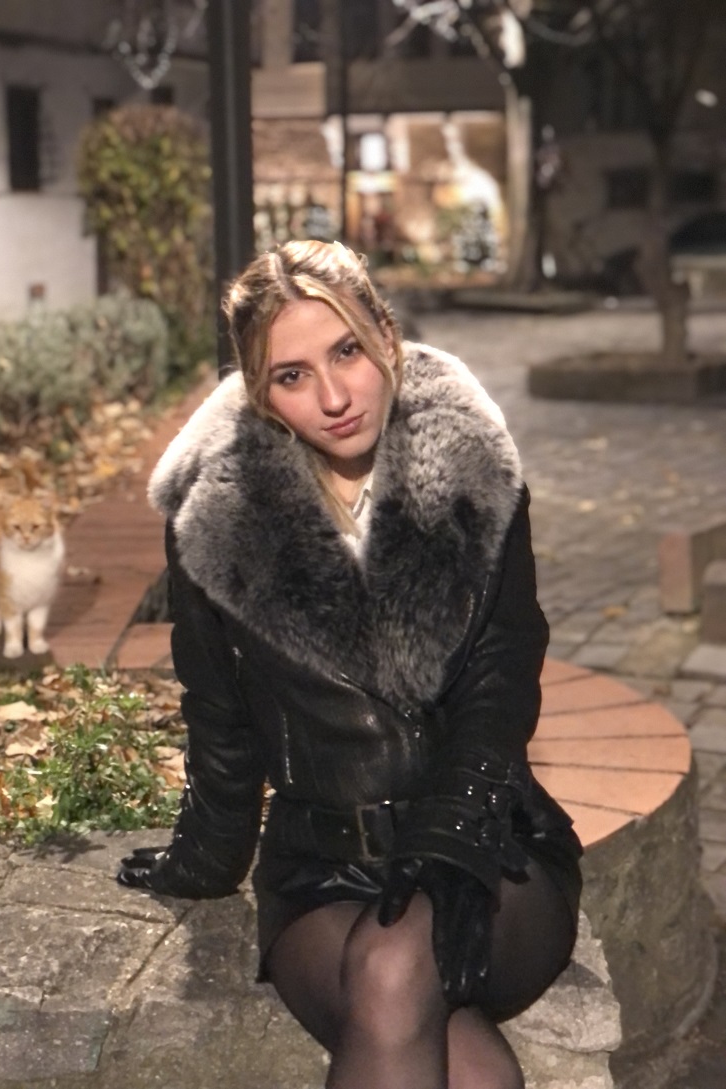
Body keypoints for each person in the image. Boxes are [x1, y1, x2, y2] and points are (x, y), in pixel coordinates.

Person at [117, 240, 583, 1089]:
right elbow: (220, 719)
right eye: (292, 376)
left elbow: (501, 676)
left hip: (482, 849)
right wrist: (202, 859)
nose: (333, 397)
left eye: (347, 352)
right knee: (468, 1064)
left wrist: (449, 838)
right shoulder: (215, 519)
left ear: (385, 338)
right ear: (260, 393)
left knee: (395, 962)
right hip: (321, 873)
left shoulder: (471, 473)